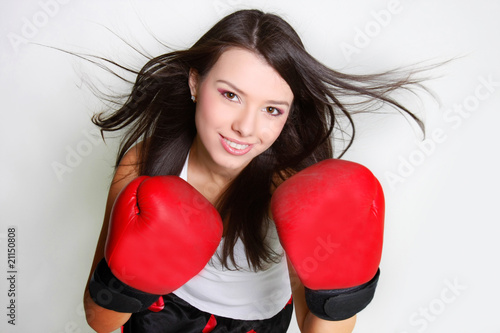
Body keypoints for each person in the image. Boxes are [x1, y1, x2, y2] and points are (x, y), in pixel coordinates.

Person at [83, 9, 426, 333]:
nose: (245, 127)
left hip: (257, 324)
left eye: (272, 110)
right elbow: (99, 319)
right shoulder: (147, 164)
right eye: (230, 95)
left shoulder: (291, 188)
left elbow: (316, 327)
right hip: (160, 314)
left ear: (289, 114)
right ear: (194, 84)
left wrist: (341, 291)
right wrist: (129, 282)